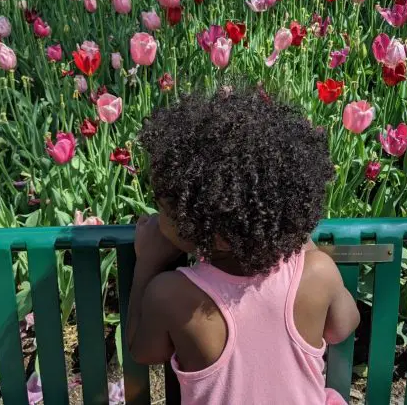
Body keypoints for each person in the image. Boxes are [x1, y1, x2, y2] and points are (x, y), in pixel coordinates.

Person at [126, 88, 360, 405]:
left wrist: (148, 263)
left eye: (164, 206)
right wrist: (301, 238)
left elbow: (143, 351)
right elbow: (343, 326)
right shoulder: (318, 274)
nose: (156, 214)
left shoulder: (170, 294)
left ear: (213, 233)